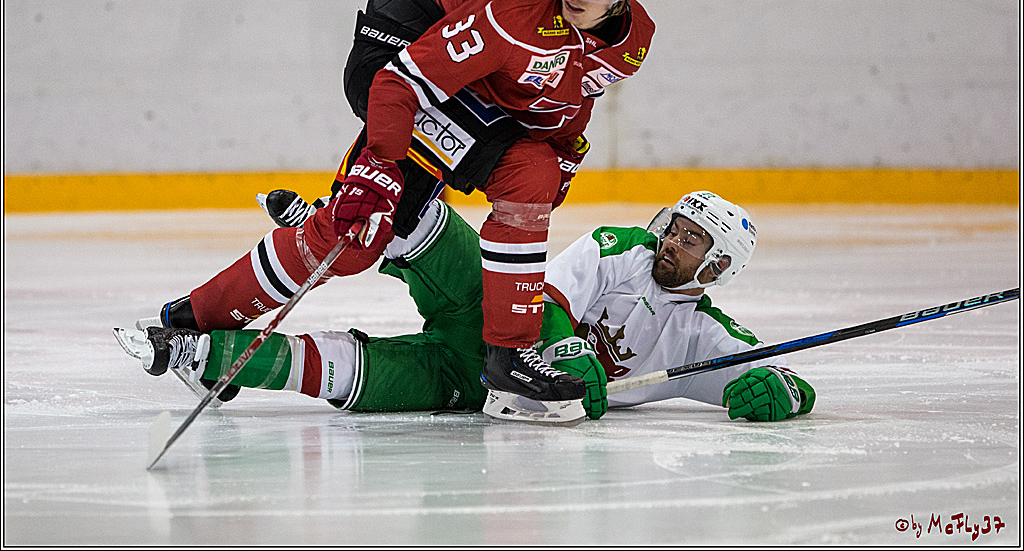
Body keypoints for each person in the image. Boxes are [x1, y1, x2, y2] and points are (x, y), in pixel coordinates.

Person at [140, 0, 657, 415]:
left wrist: (564, 154)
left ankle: (509, 353)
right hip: (413, 75)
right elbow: (399, 82)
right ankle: (192, 316)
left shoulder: (632, 44)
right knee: (352, 240)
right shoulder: (515, 10)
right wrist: (381, 167)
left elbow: (569, 97)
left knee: (534, 177)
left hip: (482, 113)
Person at [114, 191, 816, 425]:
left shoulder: (701, 331)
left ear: (718, 267)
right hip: (496, 318)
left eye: (692, 241)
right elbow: (548, 298)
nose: (672, 241)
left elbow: (775, 377)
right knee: (427, 223)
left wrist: (782, 395)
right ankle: (350, 222)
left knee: (342, 373)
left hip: (470, 384)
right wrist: (565, 350)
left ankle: (201, 355)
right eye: (676, 227)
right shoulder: (621, 246)